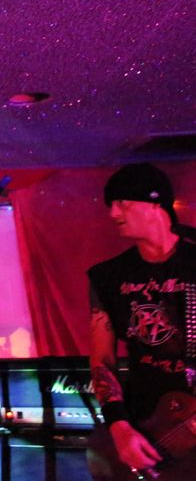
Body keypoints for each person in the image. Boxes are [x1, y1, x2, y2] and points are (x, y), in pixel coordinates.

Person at [88, 163, 194, 477]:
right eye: (111, 205)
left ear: (154, 203)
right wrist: (119, 426)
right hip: (145, 424)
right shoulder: (107, 277)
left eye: (123, 203)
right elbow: (102, 361)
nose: (113, 213)